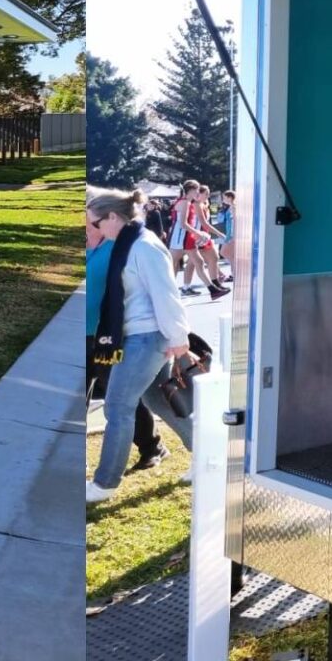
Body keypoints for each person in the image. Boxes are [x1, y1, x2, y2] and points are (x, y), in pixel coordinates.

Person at [87, 189, 195, 503]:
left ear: (113, 217)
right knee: (159, 402)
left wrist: (178, 338)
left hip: (147, 337)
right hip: (140, 336)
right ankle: (206, 458)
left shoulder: (144, 246)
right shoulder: (129, 243)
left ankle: (104, 483)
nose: (94, 230)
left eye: (96, 223)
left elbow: (166, 294)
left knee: (118, 407)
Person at [85, 197, 166, 472]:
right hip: (83, 333)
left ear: (108, 219)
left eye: (91, 222)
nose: (87, 226)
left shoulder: (119, 247)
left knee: (121, 399)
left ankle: (151, 447)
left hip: (110, 335)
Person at [171, 180, 229, 299]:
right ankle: (168, 291)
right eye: (197, 190)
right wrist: (199, 233)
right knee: (173, 265)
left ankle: (213, 289)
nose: (198, 192)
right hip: (181, 238)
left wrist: (198, 233)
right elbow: (182, 224)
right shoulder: (185, 203)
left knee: (195, 262)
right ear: (191, 190)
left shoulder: (186, 202)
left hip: (184, 237)